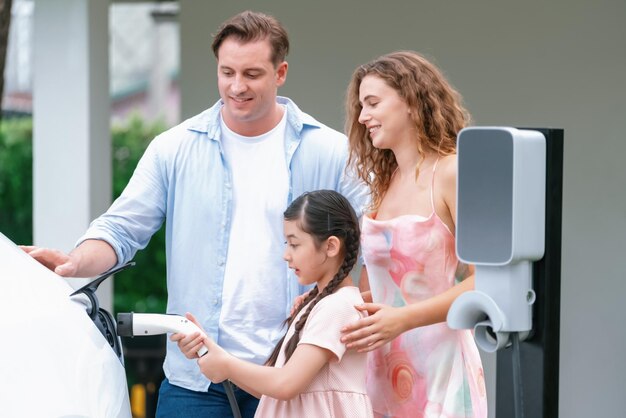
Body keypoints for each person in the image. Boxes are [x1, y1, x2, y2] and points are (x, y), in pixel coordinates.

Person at [20, 10, 367, 418]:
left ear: (281, 72)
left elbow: (374, 242)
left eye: (252, 74)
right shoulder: (174, 148)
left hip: (294, 379)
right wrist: (75, 260)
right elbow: (121, 228)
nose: (237, 87)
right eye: (227, 72)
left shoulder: (332, 151)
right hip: (197, 381)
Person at [339, 51, 488, 417]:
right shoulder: (382, 182)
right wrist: (327, 304)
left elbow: (483, 282)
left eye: (372, 103)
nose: (362, 117)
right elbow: (390, 288)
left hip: (440, 369)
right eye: (360, 106)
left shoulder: (452, 172)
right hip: (381, 367)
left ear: (410, 100)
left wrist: (402, 319)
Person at [178, 190, 373, 418]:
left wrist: (227, 365)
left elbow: (286, 384)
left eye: (295, 244)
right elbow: (272, 387)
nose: (286, 255)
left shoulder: (337, 307)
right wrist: (209, 350)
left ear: (330, 246)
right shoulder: (317, 304)